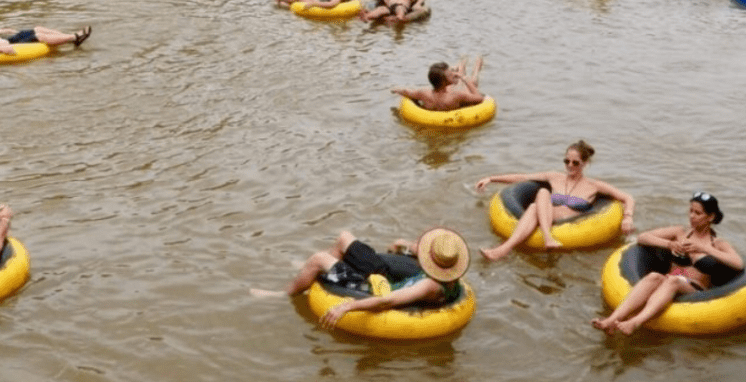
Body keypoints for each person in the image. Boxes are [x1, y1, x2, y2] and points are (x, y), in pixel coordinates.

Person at [249, 227, 470, 329]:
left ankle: (284, 293)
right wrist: (404, 245)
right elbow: (421, 253)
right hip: (386, 280)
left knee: (318, 259)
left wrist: (345, 308)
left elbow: (387, 301)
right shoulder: (449, 273)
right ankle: (315, 269)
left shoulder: (428, 286)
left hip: (371, 290)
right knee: (344, 237)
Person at [591, 192, 743, 335]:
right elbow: (643, 237)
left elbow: (738, 263)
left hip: (694, 288)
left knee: (673, 280)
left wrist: (704, 249)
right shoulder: (680, 232)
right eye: (690, 211)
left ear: (710, 217)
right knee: (654, 276)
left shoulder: (717, 243)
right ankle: (611, 321)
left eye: (697, 213)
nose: (692, 216)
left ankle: (635, 322)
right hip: (669, 281)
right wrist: (669, 244)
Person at [476, 141, 635, 258]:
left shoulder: (594, 186)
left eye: (575, 162)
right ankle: (540, 240)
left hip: (570, 221)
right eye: (567, 161)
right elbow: (522, 177)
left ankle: (504, 249)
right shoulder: (554, 177)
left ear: (585, 163)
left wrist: (627, 217)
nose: (570, 165)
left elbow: (627, 198)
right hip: (548, 216)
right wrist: (491, 178)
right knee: (542, 194)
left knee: (535, 205)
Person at [0, 5, 91, 56]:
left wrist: (5, 30)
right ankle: (75, 37)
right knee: (40, 36)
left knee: (38, 28)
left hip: (8, 40)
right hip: (11, 46)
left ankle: (70, 38)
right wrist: (0, 49)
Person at [391, 56, 485, 111]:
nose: (452, 75)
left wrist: (396, 90)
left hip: (440, 92)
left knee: (458, 80)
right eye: (450, 74)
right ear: (444, 82)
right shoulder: (456, 96)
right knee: (472, 82)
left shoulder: (424, 93)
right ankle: (476, 68)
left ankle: (460, 65)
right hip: (453, 100)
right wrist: (464, 79)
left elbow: (407, 92)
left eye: (451, 73)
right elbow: (479, 98)